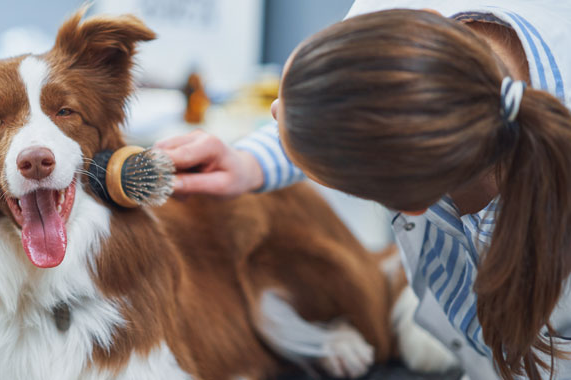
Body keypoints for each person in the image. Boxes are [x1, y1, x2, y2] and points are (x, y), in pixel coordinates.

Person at [155, 2, 571, 379]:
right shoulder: (389, 30)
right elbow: (338, 108)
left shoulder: (541, 227)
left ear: (411, 209)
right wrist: (249, 164)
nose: (274, 110)